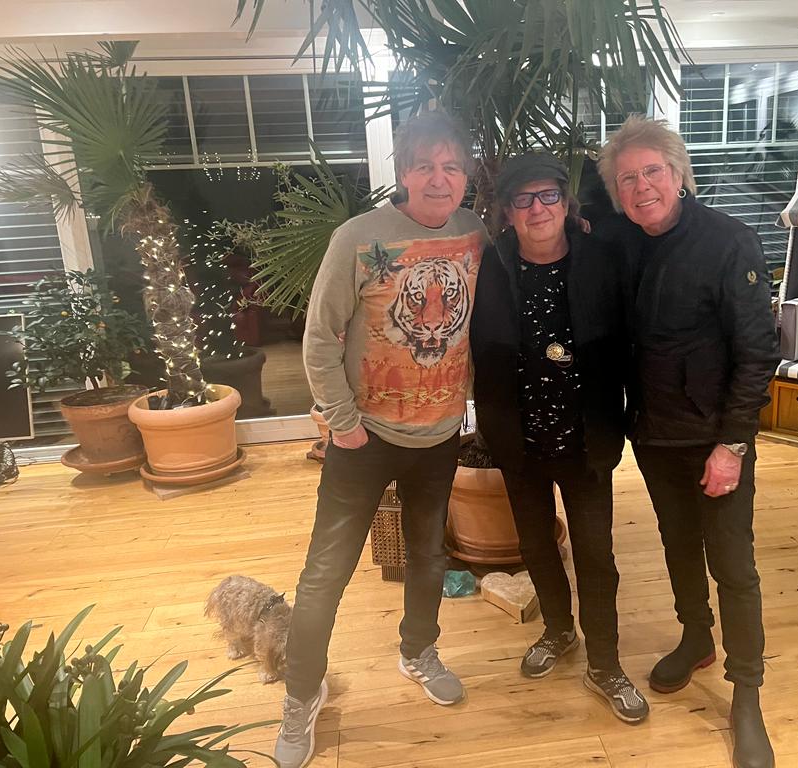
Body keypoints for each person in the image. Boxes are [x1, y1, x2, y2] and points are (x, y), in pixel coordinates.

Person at [275, 111, 489, 768]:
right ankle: (301, 694)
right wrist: (342, 422)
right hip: (363, 438)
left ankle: (418, 650)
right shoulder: (358, 237)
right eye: (425, 165)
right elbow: (318, 337)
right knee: (325, 573)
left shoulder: (475, 233)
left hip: (440, 434)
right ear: (403, 172)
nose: (438, 178)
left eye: (451, 166)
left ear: (465, 176)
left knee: (428, 557)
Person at [597, 116, 780, 767]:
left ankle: (747, 694)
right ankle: (695, 637)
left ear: (679, 174)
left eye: (653, 171)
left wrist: (733, 444)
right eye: (627, 178)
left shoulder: (729, 241)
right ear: (615, 193)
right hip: (654, 435)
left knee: (732, 564)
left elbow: (758, 350)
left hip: (715, 438)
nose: (642, 186)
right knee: (677, 543)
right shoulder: (620, 241)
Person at [470, 153, 648, 724]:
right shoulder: (491, 265)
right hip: (518, 438)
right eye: (523, 200)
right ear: (507, 212)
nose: (537, 209)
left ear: (566, 204)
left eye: (548, 195)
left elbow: (628, 340)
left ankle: (606, 664)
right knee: (536, 546)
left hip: (586, 438)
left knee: (596, 555)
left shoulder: (601, 258)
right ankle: (557, 629)